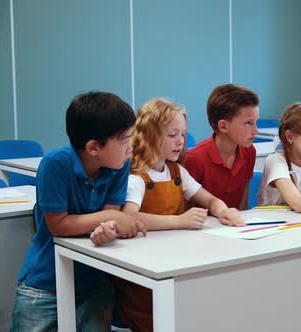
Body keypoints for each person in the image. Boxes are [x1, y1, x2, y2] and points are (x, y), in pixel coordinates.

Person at [93, 98, 244, 332]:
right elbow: (131, 217)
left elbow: (209, 198)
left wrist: (223, 210)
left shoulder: (176, 171)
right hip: (144, 272)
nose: (181, 142)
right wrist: (179, 221)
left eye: (183, 135)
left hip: (173, 258)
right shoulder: (136, 177)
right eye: (173, 134)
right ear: (151, 135)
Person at [10, 92, 144, 331]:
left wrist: (108, 227)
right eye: (124, 140)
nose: (130, 148)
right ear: (93, 147)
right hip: (47, 280)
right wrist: (109, 218)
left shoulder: (117, 167)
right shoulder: (55, 164)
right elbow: (58, 225)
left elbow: (110, 216)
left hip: (94, 279)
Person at [184, 84, 259, 210]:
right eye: (248, 123)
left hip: (233, 226)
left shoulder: (249, 151)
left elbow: (243, 206)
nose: (256, 130)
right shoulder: (195, 159)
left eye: (255, 122)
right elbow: (185, 211)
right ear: (223, 126)